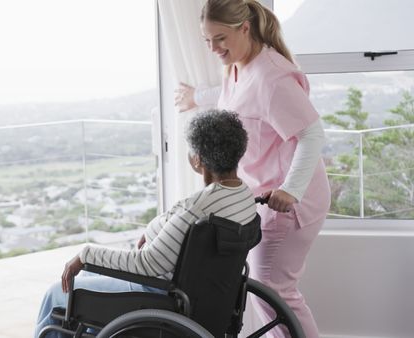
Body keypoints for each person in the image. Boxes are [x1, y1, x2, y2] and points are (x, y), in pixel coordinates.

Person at [175, 1, 331, 337]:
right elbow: (237, 100)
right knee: (268, 292)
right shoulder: (239, 65)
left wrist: (291, 190)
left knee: (276, 293)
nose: (214, 49)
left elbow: (312, 134)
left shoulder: (272, 77)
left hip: (289, 202)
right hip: (264, 194)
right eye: (207, 41)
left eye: (220, 38)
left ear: (244, 28)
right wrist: (196, 98)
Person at [34, 110, 256, 338]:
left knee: (55, 294)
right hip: (206, 295)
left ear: (198, 159)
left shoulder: (200, 207)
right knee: (83, 281)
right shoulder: (243, 196)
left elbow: (147, 264)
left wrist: (86, 254)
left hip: (157, 294)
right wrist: (156, 229)